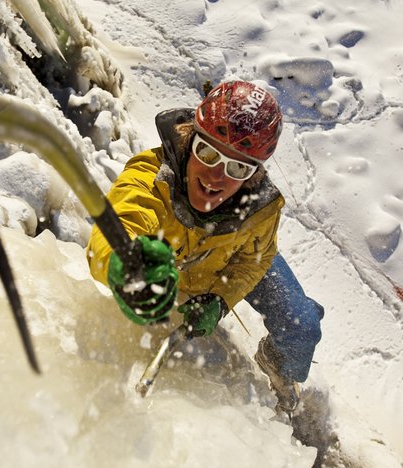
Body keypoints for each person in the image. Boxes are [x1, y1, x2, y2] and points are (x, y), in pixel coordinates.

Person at [86, 81, 324, 415]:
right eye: (208, 154)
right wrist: (126, 265)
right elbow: (119, 225)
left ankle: (277, 367)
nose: (215, 177)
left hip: (225, 261)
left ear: (253, 175)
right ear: (190, 139)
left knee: (302, 324)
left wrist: (220, 301)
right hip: (169, 264)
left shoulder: (259, 208)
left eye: (238, 167)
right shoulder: (153, 177)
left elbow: (256, 261)